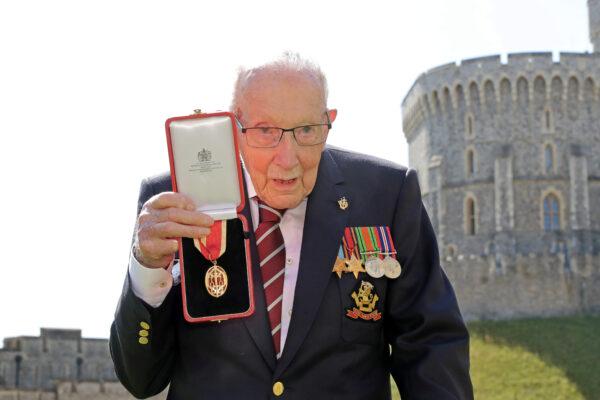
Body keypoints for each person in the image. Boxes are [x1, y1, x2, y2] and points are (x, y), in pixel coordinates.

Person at [110, 52, 473, 399]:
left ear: (328, 122)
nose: (287, 159)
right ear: (234, 127)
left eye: (306, 130)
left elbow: (430, 344)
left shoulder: (387, 196)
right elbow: (142, 379)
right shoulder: (173, 201)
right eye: (265, 130)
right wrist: (146, 269)